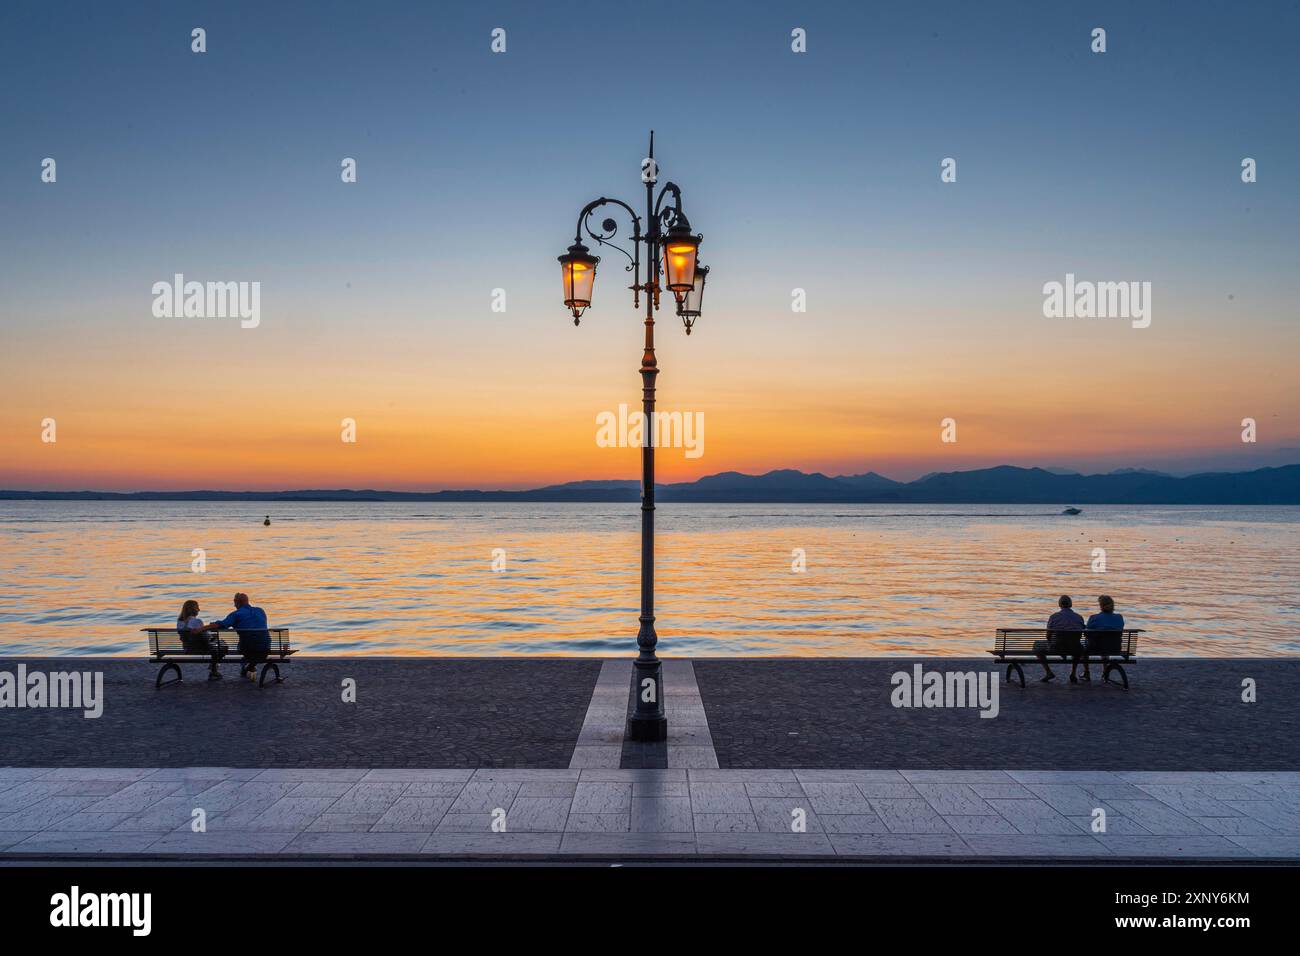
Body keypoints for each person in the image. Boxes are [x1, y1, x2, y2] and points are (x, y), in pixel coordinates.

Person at [204, 592, 271, 680]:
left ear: (238, 602)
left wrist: (203, 627)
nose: (234, 605)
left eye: (234, 602)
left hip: (247, 648)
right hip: (265, 648)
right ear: (247, 601)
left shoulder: (236, 614)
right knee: (256, 642)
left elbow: (223, 624)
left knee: (243, 645)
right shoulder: (260, 611)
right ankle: (248, 667)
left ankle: (245, 667)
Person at [1033, 595, 1086, 683]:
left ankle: (1048, 672)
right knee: (1077, 645)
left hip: (1057, 647)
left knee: (1036, 645)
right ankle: (1073, 673)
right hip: (1075, 648)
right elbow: (1081, 635)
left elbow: (1048, 636)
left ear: (1059, 605)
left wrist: (1051, 642)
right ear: (1071, 605)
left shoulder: (1054, 617)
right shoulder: (1079, 617)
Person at [176, 599, 226, 680]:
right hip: (201, 648)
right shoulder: (197, 621)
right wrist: (212, 636)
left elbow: (186, 636)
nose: (199, 609)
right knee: (223, 645)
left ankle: (214, 666)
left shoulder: (179, 622)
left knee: (217, 644)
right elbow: (205, 638)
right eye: (197, 607)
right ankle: (214, 669)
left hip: (187, 648)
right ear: (193, 610)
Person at [1080, 595, 1126, 681]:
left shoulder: (1094, 618)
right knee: (1106, 643)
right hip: (1115, 648)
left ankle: (1086, 672)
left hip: (1097, 648)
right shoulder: (1119, 617)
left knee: (1086, 648)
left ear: (1101, 606)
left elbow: (1086, 634)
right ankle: (1105, 671)